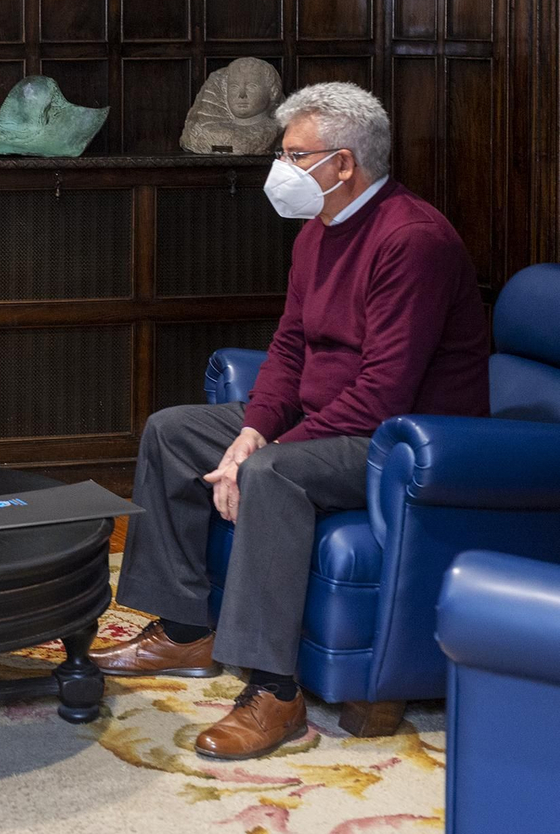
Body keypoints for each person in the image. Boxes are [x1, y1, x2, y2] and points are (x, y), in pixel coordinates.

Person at [93, 82, 489, 760]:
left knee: (274, 472)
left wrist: (261, 454)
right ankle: (189, 627)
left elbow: (383, 393)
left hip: (403, 443)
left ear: (343, 164)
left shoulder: (413, 240)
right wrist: (250, 428)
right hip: (330, 419)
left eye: (295, 154)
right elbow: (289, 347)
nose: (281, 169)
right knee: (174, 428)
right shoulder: (317, 233)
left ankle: (275, 692)